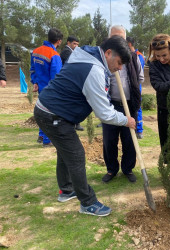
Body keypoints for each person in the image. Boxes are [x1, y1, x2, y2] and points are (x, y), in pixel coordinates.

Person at [33, 35, 136, 217]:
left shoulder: (84, 56)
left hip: (50, 110)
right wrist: (126, 120)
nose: (119, 69)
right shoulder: (94, 70)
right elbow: (104, 113)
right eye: (119, 63)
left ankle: (66, 190)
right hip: (53, 114)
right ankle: (88, 203)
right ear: (108, 53)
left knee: (66, 153)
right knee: (76, 155)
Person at [101, 25, 143, 183]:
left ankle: (128, 169)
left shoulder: (133, 57)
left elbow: (139, 78)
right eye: (114, 37)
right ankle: (111, 169)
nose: (118, 40)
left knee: (129, 139)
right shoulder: (104, 57)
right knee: (109, 140)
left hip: (129, 105)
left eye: (121, 38)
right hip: (110, 105)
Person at [31, 28, 63, 147]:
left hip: (41, 87)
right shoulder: (54, 55)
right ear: (59, 41)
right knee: (49, 115)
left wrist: (35, 82)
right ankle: (46, 140)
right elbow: (56, 76)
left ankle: (41, 135)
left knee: (42, 111)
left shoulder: (36, 51)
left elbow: (32, 69)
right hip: (51, 91)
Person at [60, 35, 84, 131]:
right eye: (74, 43)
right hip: (69, 81)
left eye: (77, 44)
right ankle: (73, 123)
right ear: (68, 43)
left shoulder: (72, 52)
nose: (76, 46)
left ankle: (75, 123)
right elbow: (73, 63)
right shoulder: (66, 52)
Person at [126, 36, 145, 139]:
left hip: (136, 86)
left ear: (129, 44)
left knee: (137, 106)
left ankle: (139, 130)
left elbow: (138, 74)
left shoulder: (138, 56)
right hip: (131, 86)